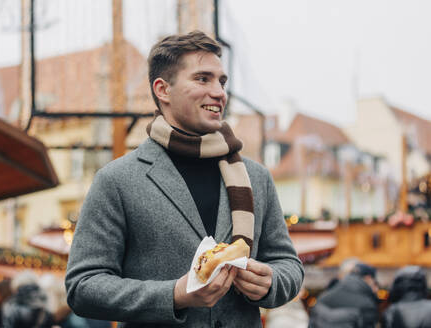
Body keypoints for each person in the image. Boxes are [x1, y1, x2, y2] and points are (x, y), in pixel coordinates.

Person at [65, 30, 304, 327]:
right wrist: (174, 295)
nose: (219, 92)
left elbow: (289, 265)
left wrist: (272, 282)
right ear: (163, 90)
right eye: (203, 79)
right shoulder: (117, 180)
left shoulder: (257, 177)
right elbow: (82, 287)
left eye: (222, 81)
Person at [309, 263, 380, 328]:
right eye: (375, 283)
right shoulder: (367, 304)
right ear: (368, 278)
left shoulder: (324, 297)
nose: (376, 288)